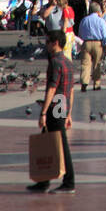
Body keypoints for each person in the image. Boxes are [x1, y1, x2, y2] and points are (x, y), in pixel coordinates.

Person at [28, 32, 75, 193]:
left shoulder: (55, 62)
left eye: (48, 41)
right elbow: (71, 90)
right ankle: (43, 180)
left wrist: (43, 112)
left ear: (55, 43)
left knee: (60, 144)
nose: (46, 44)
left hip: (55, 105)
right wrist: (69, 114)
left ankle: (69, 182)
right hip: (63, 104)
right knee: (47, 141)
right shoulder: (68, 62)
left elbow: (52, 88)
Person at [78, 2, 106, 91]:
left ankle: (84, 82)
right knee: (97, 64)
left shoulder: (84, 20)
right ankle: (96, 84)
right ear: (98, 11)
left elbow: (80, 33)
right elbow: (105, 34)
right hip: (98, 44)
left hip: (86, 43)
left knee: (85, 64)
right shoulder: (101, 21)